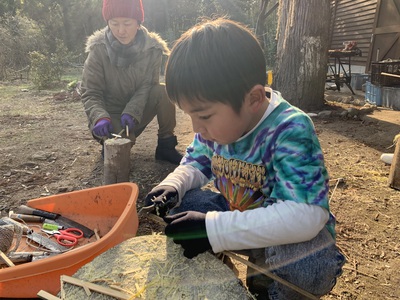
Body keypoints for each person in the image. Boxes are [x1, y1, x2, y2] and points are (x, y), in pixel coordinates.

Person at [144, 18, 345, 299]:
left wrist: (215, 230)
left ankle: (270, 291)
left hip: (287, 240)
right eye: (188, 115)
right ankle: (220, 278)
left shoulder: (290, 128)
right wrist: (173, 185)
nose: (196, 128)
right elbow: (197, 162)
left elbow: (307, 216)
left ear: (253, 99)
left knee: (308, 263)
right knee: (185, 205)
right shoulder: (213, 128)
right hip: (238, 219)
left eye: (203, 116)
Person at [80, 0, 182, 164]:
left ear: (138, 22)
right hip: (108, 115)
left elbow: (147, 87)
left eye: (127, 23)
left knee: (162, 92)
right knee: (120, 150)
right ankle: (108, 141)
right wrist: (99, 117)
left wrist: (132, 111)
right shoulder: (98, 49)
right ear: (108, 23)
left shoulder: (152, 49)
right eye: (114, 24)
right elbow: (90, 92)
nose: (121, 31)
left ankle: (166, 146)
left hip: (137, 111)